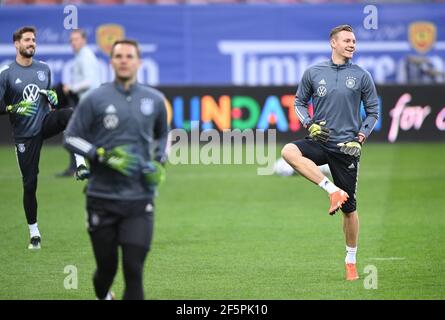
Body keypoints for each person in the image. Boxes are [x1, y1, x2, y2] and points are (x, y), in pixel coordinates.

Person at [64, 39, 168, 300]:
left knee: (134, 270)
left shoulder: (154, 100)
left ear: (138, 62)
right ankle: (103, 295)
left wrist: (158, 163)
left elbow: (163, 137)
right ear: (111, 62)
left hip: (139, 199)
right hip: (102, 199)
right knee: (106, 270)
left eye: (129, 56)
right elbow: (70, 137)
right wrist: (97, 154)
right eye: (118, 55)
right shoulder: (95, 98)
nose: (124, 60)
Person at [281, 25, 379, 281]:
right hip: (320, 139)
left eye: (355, 41)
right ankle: (332, 190)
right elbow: (299, 102)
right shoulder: (314, 72)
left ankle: (350, 261)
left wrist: (360, 139)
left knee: (349, 210)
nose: (352, 44)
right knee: (288, 151)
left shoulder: (361, 76)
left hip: (346, 147)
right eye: (347, 40)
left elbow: (373, 111)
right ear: (333, 43)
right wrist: (308, 124)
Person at [0, 26, 87, 250]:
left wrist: (53, 98)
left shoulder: (44, 69)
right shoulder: (6, 72)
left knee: (69, 115)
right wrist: (13, 107)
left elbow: (50, 103)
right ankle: (34, 233)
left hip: (44, 123)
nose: (32, 43)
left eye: (34, 40)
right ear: (16, 44)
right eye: (27, 40)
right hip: (24, 136)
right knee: (30, 185)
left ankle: (80, 164)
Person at [57, 29, 101, 178]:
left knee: (72, 134)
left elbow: (90, 81)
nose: (73, 42)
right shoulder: (82, 55)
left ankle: (79, 166)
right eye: (71, 40)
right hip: (87, 101)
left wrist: (71, 87)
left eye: (76, 39)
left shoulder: (85, 56)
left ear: (84, 40)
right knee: (78, 134)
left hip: (88, 102)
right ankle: (77, 166)